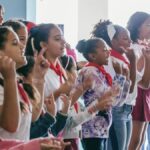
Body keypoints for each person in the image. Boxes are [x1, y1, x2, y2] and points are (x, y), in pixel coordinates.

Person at [91, 20, 136, 150]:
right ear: (113, 41)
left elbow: (130, 89)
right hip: (117, 110)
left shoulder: (123, 59)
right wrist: (133, 61)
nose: (130, 42)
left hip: (127, 109)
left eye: (130, 38)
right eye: (125, 38)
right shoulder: (110, 61)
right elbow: (125, 90)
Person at [75, 37, 113, 150]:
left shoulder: (98, 71)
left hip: (100, 127)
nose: (108, 52)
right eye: (104, 50)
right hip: (92, 127)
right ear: (93, 56)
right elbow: (104, 97)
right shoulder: (91, 71)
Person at [127, 11, 150, 150]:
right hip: (139, 94)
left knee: (141, 140)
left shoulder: (144, 47)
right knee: (134, 140)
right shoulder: (136, 49)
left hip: (146, 94)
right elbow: (140, 80)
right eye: (148, 25)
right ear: (137, 28)